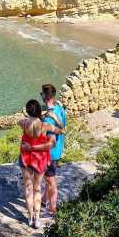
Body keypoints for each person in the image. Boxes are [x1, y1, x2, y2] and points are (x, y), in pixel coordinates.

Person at [18, 99, 55, 229]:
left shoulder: (24, 123)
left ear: (28, 111)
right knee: (37, 188)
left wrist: (25, 114)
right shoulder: (45, 126)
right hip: (40, 159)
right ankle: (37, 219)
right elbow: (57, 130)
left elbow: (19, 121)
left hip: (26, 158)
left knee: (28, 188)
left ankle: (30, 217)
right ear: (39, 111)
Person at [40, 84, 66, 218]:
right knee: (48, 179)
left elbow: (51, 141)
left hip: (50, 154)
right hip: (58, 151)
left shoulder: (49, 118)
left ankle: (52, 210)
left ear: (45, 96)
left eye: (41, 94)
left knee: (51, 182)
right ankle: (43, 201)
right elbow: (63, 128)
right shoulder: (60, 109)